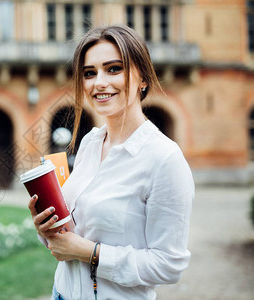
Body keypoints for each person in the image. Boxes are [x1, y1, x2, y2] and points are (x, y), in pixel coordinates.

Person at [28, 24, 194, 300]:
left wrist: (88, 252)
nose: (99, 83)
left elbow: (169, 265)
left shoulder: (164, 159)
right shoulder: (90, 144)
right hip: (61, 293)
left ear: (143, 78)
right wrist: (46, 229)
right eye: (89, 73)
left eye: (114, 69)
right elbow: (76, 231)